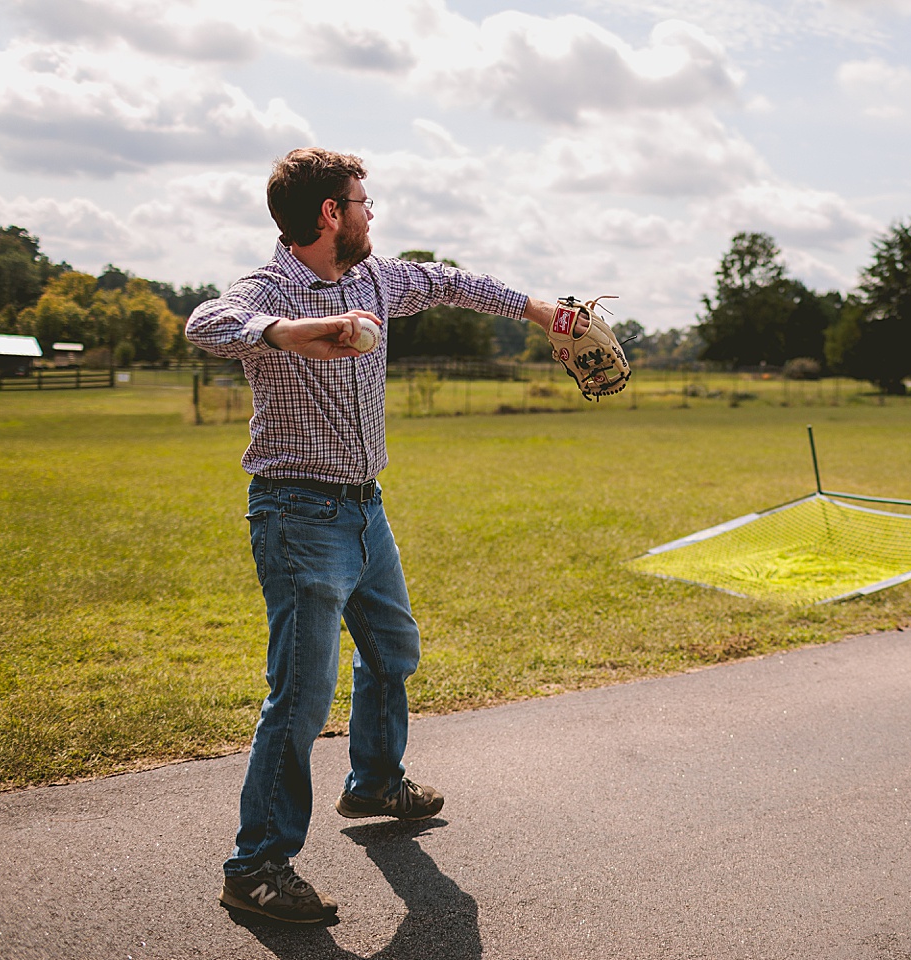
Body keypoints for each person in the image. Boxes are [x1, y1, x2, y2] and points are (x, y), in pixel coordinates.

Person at [186, 148, 578, 924]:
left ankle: (373, 781)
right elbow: (207, 323)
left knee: (393, 650)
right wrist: (292, 334)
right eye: (363, 200)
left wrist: (546, 313)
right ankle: (256, 866)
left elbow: (456, 281)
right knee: (299, 698)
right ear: (330, 212)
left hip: (366, 511)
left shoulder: (377, 277)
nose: (372, 212)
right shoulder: (267, 291)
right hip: (297, 516)